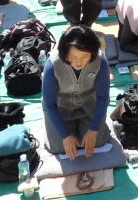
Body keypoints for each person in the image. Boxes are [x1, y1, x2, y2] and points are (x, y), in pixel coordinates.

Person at [42, 25, 111, 158]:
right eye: (72, 57)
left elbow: (103, 97)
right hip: (61, 107)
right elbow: (50, 104)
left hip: (89, 105)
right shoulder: (53, 64)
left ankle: (87, 129)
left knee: (98, 142)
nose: (78, 62)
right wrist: (65, 135)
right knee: (59, 148)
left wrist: (93, 130)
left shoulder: (100, 61)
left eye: (84, 56)